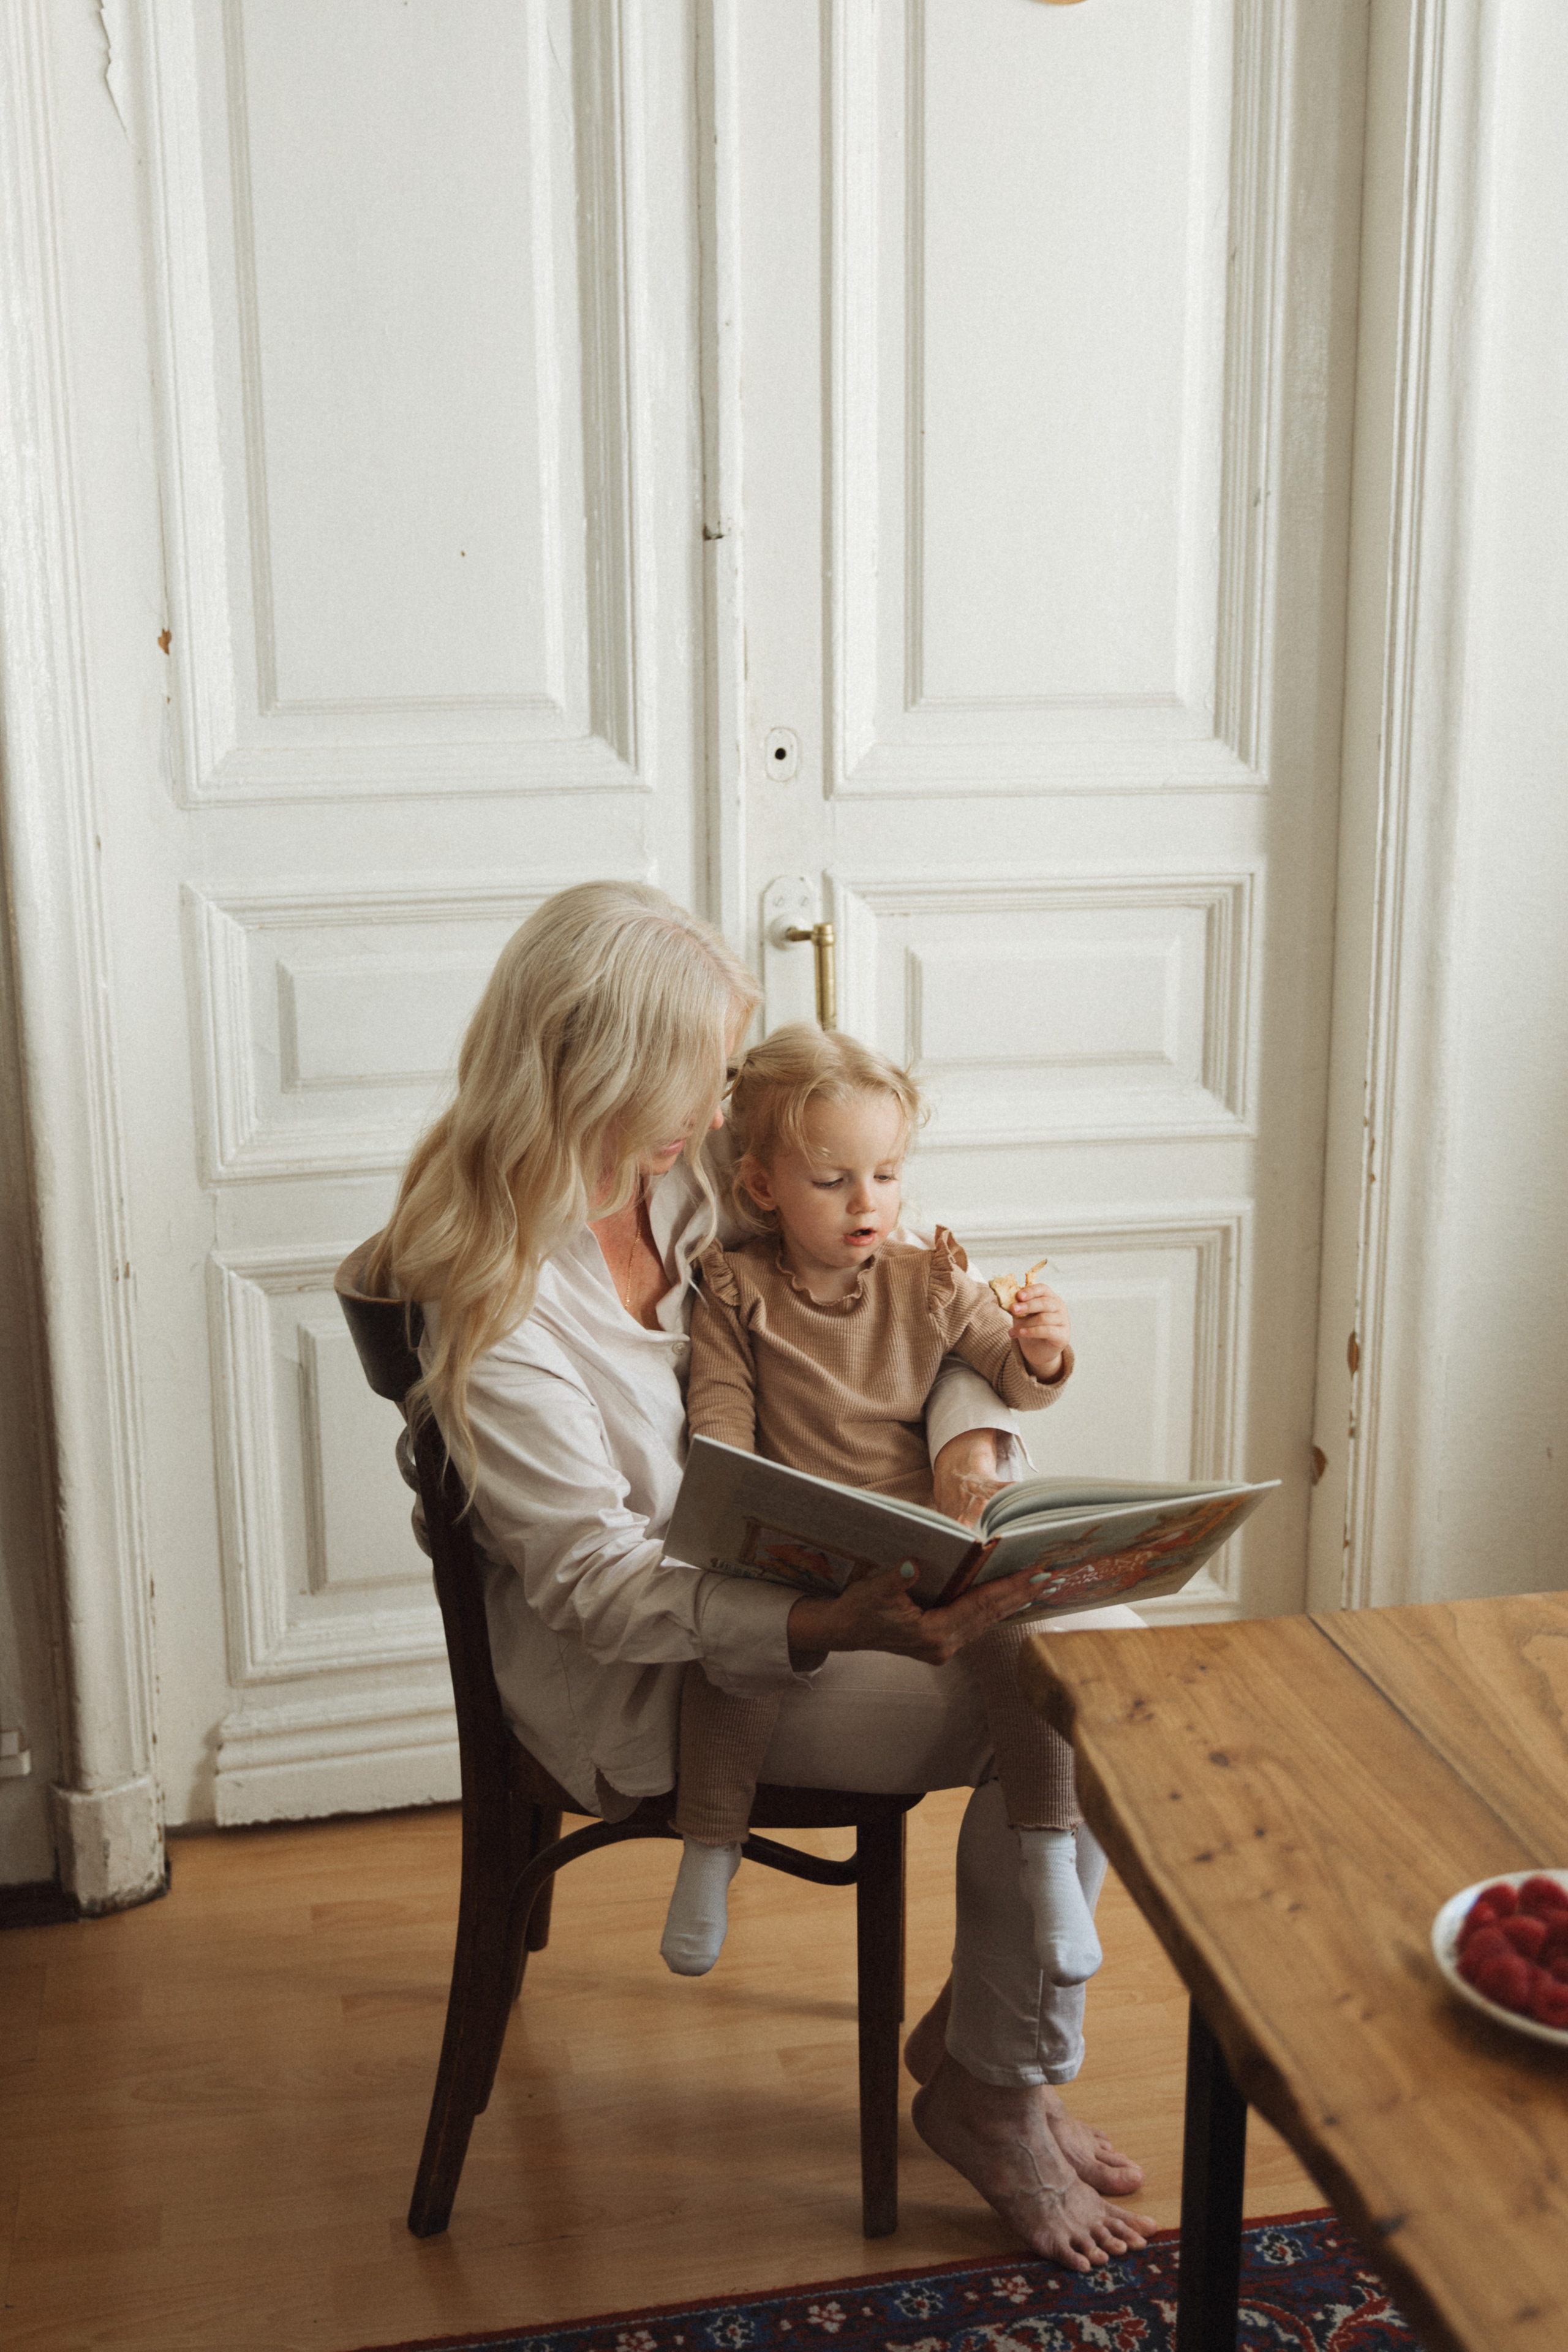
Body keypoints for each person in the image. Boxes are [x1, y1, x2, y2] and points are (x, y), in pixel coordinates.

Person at [364, 881, 1153, 2272]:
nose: (724, 1114)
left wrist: (974, 1450)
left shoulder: (668, 1177)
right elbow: (593, 1586)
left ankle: (990, 2063)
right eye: (695, 1078)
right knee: (1105, 1699)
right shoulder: (497, 1294)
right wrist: (822, 1617)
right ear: (592, 1071)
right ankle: (995, 2089)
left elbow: (896, 1283)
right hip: (659, 1671)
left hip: (802, 1582)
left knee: (1110, 1638)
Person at [663, 1024, 1102, 2000]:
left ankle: (1044, 1854)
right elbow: (721, 1420)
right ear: (764, 1186)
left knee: (1023, 1630)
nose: (871, 1203)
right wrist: (734, 1492)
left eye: (888, 1174)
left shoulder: (929, 1278)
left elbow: (1008, 1378)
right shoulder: (735, 1294)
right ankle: (708, 1850)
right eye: (834, 1181)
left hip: (918, 1536)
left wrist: (1040, 1348)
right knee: (732, 1655)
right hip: (801, 1543)